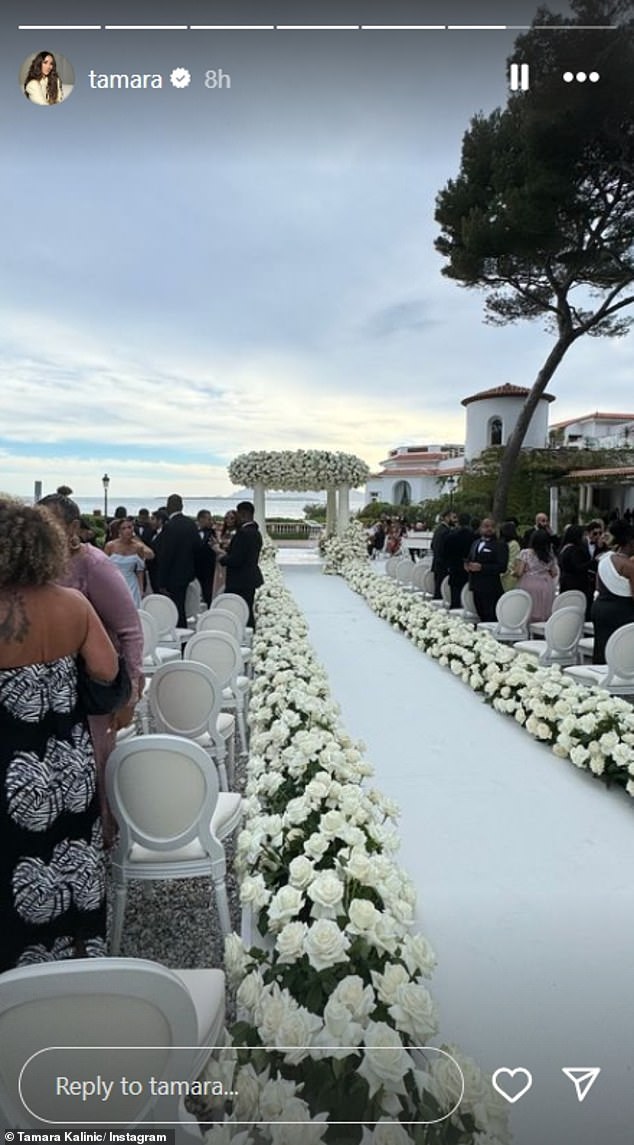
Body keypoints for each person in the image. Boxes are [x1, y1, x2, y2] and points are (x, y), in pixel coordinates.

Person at [0, 498, 121, 970]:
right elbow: (107, 673)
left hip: (13, 776)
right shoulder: (73, 604)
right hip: (68, 766)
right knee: (75, 861)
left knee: (17, 870)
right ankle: (75, 961)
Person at [38, 494, 144, 845]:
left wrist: (129, 690)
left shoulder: (94, 565)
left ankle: (102, 842)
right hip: (51, 689)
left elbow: (129, 630)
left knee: (96, 762)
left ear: (72, 527)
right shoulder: (40, 566)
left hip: (91, 687)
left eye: (50, 523)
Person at [154, 493, 202, 627]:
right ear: (182, 506)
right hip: (187, 573)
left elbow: (166, 554)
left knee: (175, 608)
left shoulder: (169, 526)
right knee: (182, 606)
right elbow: (198, 547)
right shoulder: (191, 524)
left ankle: (178, 632)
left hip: (172, 575)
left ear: (169, 507)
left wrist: (161, 581)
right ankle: (182, 631)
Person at [215, 501, 264, 628]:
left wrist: (222, 557)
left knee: (235, 609)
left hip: (239, 581)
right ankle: (248, 634)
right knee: (246, 608)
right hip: (249, 578)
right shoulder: (256, 532)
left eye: (237, 514)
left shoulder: (243, 533)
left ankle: (240, 634)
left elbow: (236, 559)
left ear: (243, 514)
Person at [591, 521, 634, 663]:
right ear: (630, 542)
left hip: (600, 608)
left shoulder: (605, 558)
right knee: (619, 650)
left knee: (601, 649)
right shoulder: (629, 565)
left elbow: (598, 586)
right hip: (621, 611)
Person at [465, 519, 508, 622]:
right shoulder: (475, 543)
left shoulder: (500, 545)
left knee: (490, 617)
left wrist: (482, 567)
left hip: (491, 587)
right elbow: (470, 558)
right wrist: (467, 565)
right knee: (481, 615)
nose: (489, 529)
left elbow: (502, 567)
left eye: (492, 526)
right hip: (475, 585)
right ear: (480, 528)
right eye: (486, 526)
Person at [105, 518, 154, 608]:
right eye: (123, 528)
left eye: (129, 527)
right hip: (114, 582)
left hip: (131, 583)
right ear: (119, 531)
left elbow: (140, 570)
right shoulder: (110, 546)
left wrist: (141, 589)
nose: (127, 530)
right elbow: (103, 568)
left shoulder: (138, 547)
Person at [514, 529, 559, 623]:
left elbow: (519, 572)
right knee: (544, 608)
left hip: (529, 582)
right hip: (546, 584)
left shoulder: (525, 553)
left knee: (528, 608)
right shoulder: (549, 555)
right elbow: (554, 573)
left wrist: (513, 573)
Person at [558, 525, 593, 613]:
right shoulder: (575, 550)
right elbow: (578, 567)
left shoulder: (564, 548)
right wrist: (593, 562)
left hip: (565, 581)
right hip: (577, 584)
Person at [444, 512, 475, 609]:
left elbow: (445, 552)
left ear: (458, 522)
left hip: (454, 568)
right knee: (468, 597)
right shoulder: (474, 536)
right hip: (469, 570)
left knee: (455, 596)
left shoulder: (451, 536)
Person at [212, 510, 238, 599]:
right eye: (226, 518)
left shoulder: (237, 533)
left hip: (228, 563)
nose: (228, 520)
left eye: (232, 518)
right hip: (219, 563)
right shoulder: (223, 532)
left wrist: (218, 550)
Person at [195, 509, 217, 608]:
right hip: (195, 568)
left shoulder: (212, 533)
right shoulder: (193, 532)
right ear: (201, 519)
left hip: (208, 569)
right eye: (208, 519)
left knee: (208, 592)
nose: (211, 521)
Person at [431, 510, 455, 598]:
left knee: (437, 590)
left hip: (437, 564)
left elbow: (432, 545)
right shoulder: (446, 531)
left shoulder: (438, 530)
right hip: (443, 565)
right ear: (446, 518)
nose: (455, 520)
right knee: (440, 592)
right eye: (453, 517)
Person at [499, 521, 521, 593]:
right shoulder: (503, 543)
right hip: (501, 578)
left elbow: (511, 562)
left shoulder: (514, 544)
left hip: (509, 578)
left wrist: (500, 573)